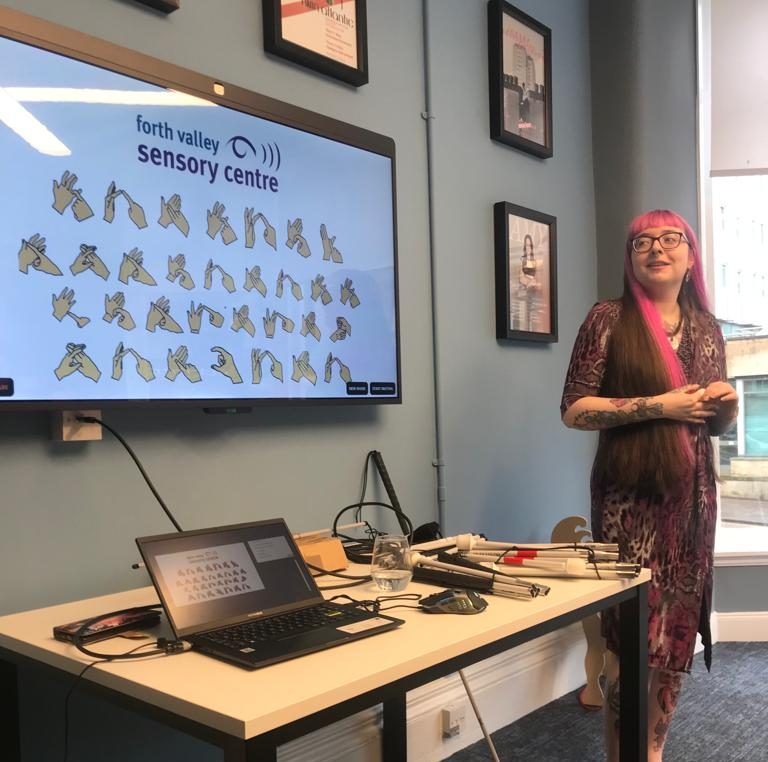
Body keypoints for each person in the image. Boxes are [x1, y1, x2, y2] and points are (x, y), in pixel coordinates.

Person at [560, 209, 738, 762]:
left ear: (690, 255)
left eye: (669, 238)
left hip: (691, 506)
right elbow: (574, 410)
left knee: (675, 638)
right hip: (628, 507)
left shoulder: (708, 327)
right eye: (642, 241)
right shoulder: (607, 318)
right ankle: (622, 754)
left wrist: (728, 409)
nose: (656, 248)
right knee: (628, 639)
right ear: (630, 257)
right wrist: (661, 405)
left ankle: (653, 750)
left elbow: (710, 423)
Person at [517, 234, 542, 331]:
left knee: (533, 314)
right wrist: (529, 282)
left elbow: (537, 279)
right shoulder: (521, 260)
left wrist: (533, 283)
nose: (528, 248)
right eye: (527, 245)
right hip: (525, 289)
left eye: (530, 246)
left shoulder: (535, 262)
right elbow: (521, 278)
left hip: (533, 290)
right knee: (525, 312)